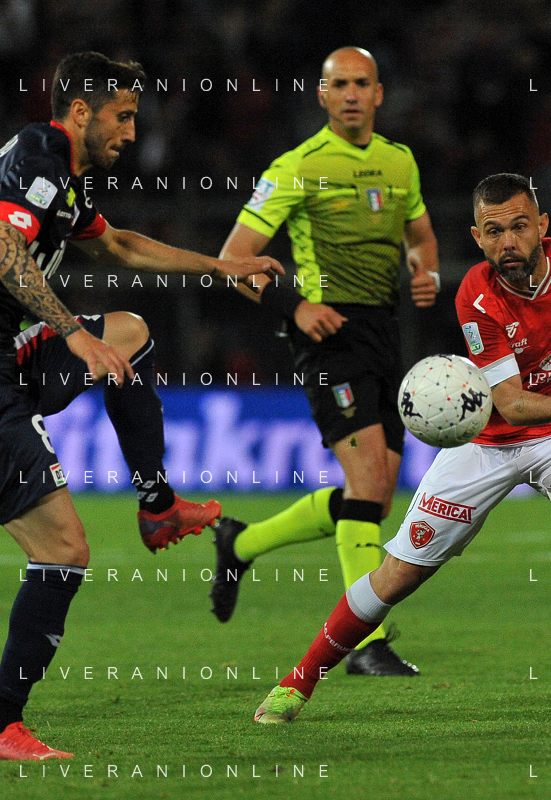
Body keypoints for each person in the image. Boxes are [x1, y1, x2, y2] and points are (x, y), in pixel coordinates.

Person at [0, 52, 281, 759]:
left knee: (131, 333)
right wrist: (71, 332)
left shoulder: (62, 179)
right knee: (64, 551)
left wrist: (220, 267)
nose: (132, 131)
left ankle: (157, 506)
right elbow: (3, 247)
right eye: (122, 116)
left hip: (0, 355)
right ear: (79, 111)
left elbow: (120, 245)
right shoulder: (43, 154)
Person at [251, 172, 551, 723]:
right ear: (477, 237)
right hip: (488, 441)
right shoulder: (477, 294)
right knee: (397, 575)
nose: (508, 241)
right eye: (494, 232)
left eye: (519, 226)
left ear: (542, 225)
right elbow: (510, 405)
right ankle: (297, 683)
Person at [210, 46, 440, 677]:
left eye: (361, 83)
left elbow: (420, 236)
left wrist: (425, 270)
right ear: (321, 94)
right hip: (327, 335)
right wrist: (296, 306)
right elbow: (233, 260)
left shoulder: (399, 161)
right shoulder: (297, 166)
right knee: (366, 483)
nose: (351, 94)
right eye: (339, 84)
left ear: (379, 93)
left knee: (377, 498)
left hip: (382, 334)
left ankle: (241, 542)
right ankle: (367, 643)